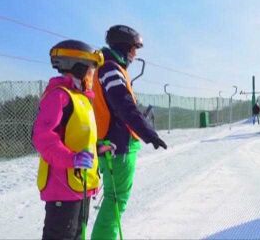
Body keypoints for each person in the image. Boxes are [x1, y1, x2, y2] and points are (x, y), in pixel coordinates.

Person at [91, 25, 168, 240]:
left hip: (114, 141)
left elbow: (118, 105)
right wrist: (149, 133)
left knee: (114, 200)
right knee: (115, 201)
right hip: (118, 144)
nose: (135, 54)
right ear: (125, 47)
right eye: (134, 49)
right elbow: (123, 105)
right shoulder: (111, 68)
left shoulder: (106, 67)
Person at [32, 40, 104, 240]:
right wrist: (71, 159)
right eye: (91, 70)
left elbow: (77, 137)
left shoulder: (81, 98)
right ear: (79, 68)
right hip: (62, 187)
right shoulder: (59, 97)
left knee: (78, 235)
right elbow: (42, 137)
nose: (92, 76)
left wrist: (98, 148)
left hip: (81, 185)